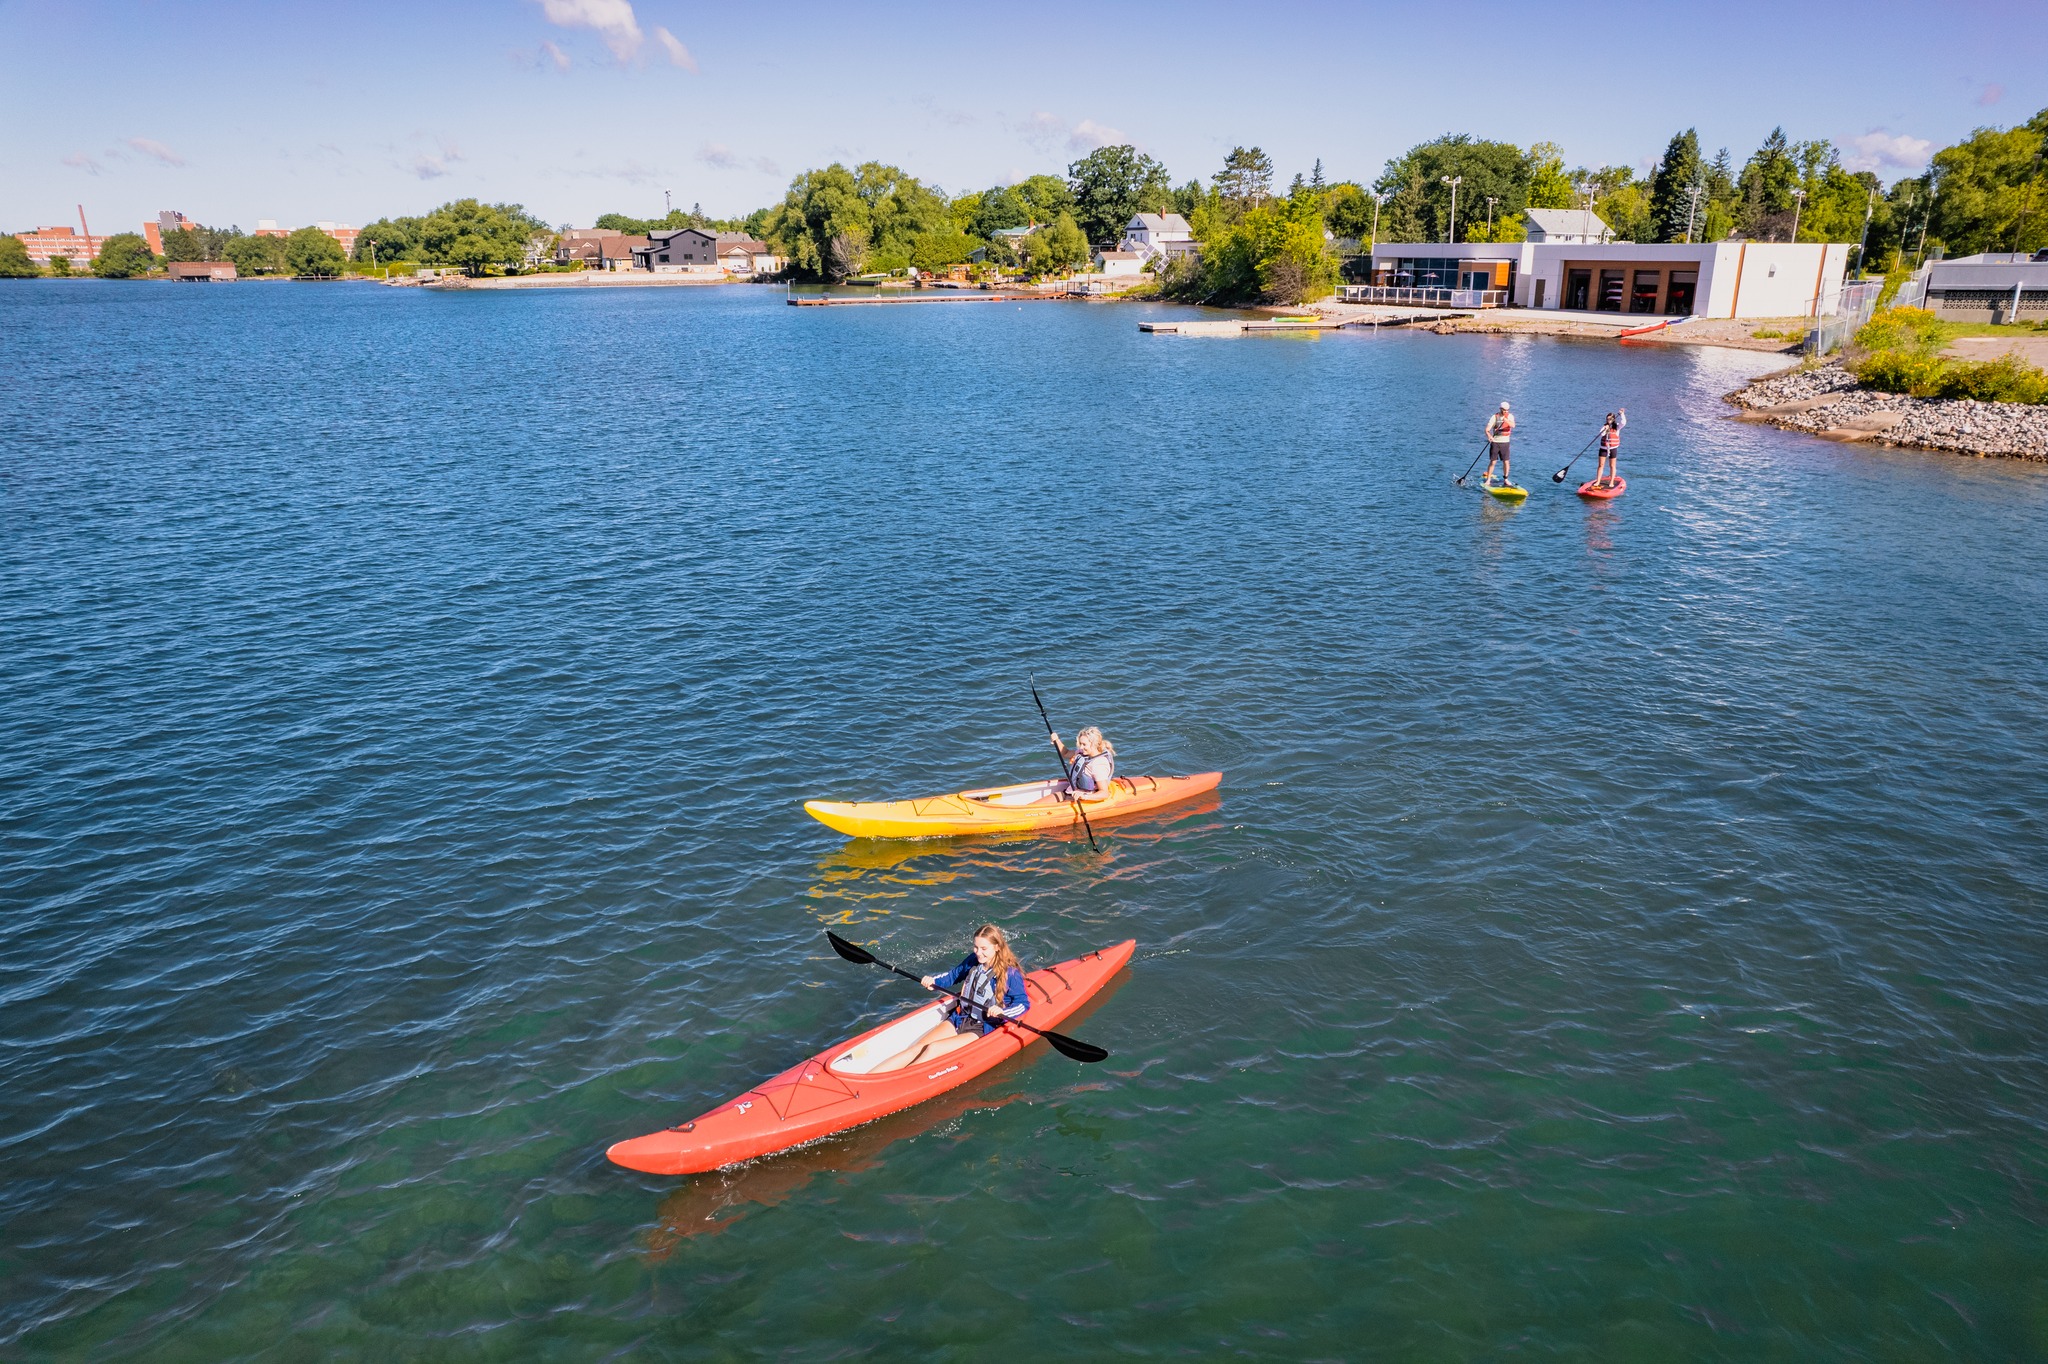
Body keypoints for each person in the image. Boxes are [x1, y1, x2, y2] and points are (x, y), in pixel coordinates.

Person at [874, 924, 1030, 1072]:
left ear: (996, 947)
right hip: (960, 1017)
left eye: (984, 948)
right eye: (975, 947)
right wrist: (934, 981)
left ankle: (898, 1083)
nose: (978, 952)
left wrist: (1002, 1012)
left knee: (932, 1049)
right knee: (918, 1047)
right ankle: (872, 1076)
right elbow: (953, 975)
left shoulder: (1011, 973)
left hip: (982, 1027)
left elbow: (1023, 1004)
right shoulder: (973, 960)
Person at [1048, 726, 1116, 801]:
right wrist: (1056, 740)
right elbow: (1065, 753)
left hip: (1082, 799)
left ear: (1094, 744)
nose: (1080, 747)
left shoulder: (1099, 765)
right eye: (1080, 744)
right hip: (1069, 793)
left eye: (1084, 744)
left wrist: (1084, 796)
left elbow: (1104, 793)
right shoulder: (1082, 754)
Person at [1483, 401, 1515, 487]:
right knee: (1493, 462)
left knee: (1506, 462)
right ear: (1500, 409)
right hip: (1495, 442)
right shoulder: (1494, 417)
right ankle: (1488, 479)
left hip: (1505, 443)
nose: (1506, 412)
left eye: (1507, 410)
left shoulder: (1510, 416)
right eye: (1504, 410)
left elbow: (1513, 425)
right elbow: (1487, 430)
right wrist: (1489, 436)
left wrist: (1506, 420)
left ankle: (1506, 479)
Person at [1594, 408, 1625, 487]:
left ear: (1613, 419)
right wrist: (1606, 429)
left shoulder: (1617, 427)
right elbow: (1602, 434)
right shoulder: (1604, 426)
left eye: (1610, 419)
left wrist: (1622, 414)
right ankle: (1598, 481)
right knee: (1601, 465)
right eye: (1607, 419)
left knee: (1612, 465)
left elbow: (1623, 422)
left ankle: (1611, 481)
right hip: (1603, 448)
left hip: (1613, 448)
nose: (1608, 420)